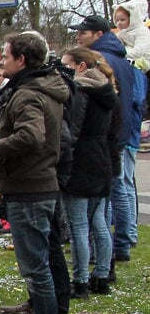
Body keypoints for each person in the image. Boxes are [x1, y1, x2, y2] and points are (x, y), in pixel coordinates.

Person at [0, 31, 70, 314]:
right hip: (34, 184)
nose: (1, 61)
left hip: (30, 187)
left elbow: (32, 136)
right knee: (39, 263)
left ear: (21, 60)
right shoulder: (37, 88)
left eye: (5, 56)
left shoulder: (29, 94)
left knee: (36, 267)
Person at [72, 14, 142, 264]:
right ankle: (121, 243)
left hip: (104, 136)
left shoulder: (101, 60)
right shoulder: (122, 59)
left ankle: (112, 248)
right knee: (118, 189)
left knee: (109, 196)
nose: (79, 37)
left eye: (84, 32)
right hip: (118, 132)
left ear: (98, 35)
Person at [60, 46, 121, 296]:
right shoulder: (107, 92)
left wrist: (64, 158)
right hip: (102, 159)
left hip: (83, 161)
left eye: (67, 65)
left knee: (79, 226)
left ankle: (81, 280)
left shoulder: (82, 92)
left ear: (81, 66)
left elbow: (74, 130)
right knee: (99, 223)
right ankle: (103, 276)